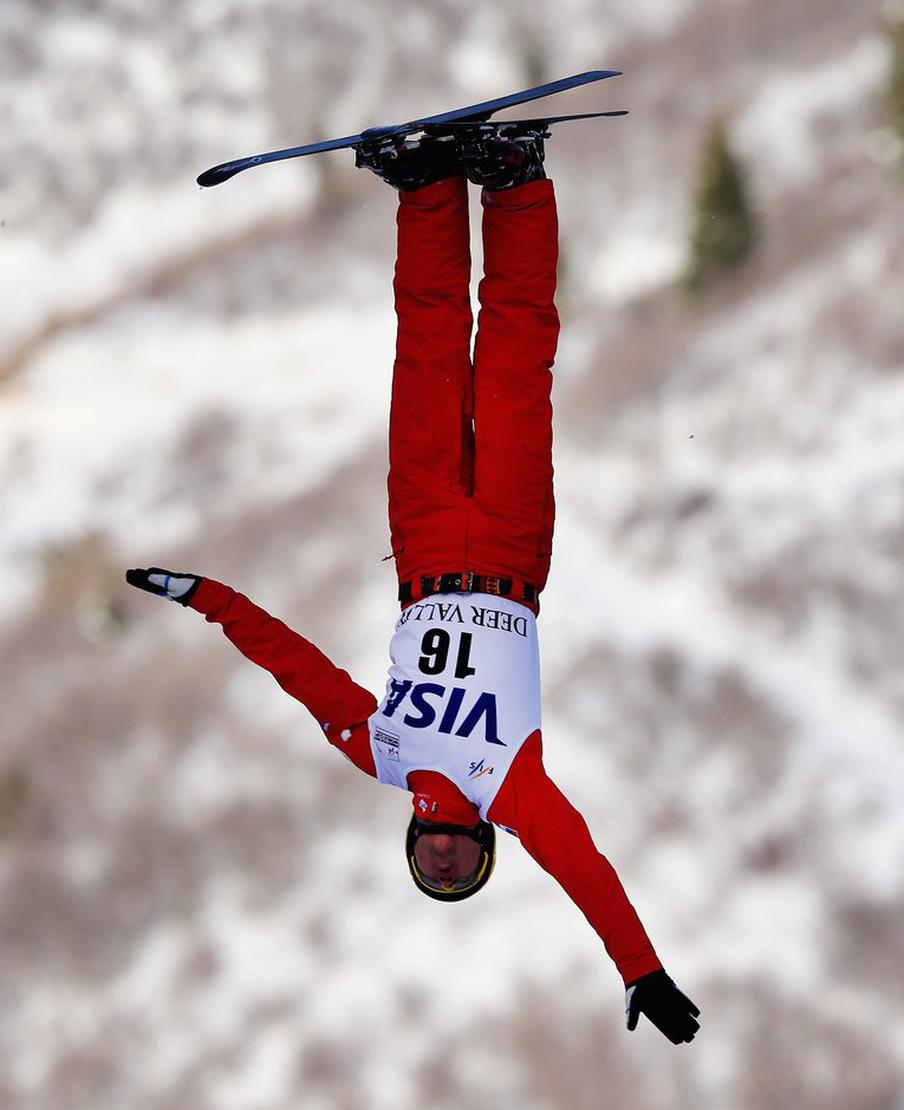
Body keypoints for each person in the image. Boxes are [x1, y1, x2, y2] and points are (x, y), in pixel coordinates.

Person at [127, 123, 701, 1044]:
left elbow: (298, 670)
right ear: (479, 849)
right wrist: (643, 971)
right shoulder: (513, 791)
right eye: (455, 866)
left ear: (409, 844)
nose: (440, 854)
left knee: (426, 355)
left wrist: (210, 598)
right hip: (511, 554)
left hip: (425, 545)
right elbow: (586, 871)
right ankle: (514, 182)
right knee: (515, 357)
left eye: (427, 866)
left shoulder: (380, 750)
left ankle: (428, 187)